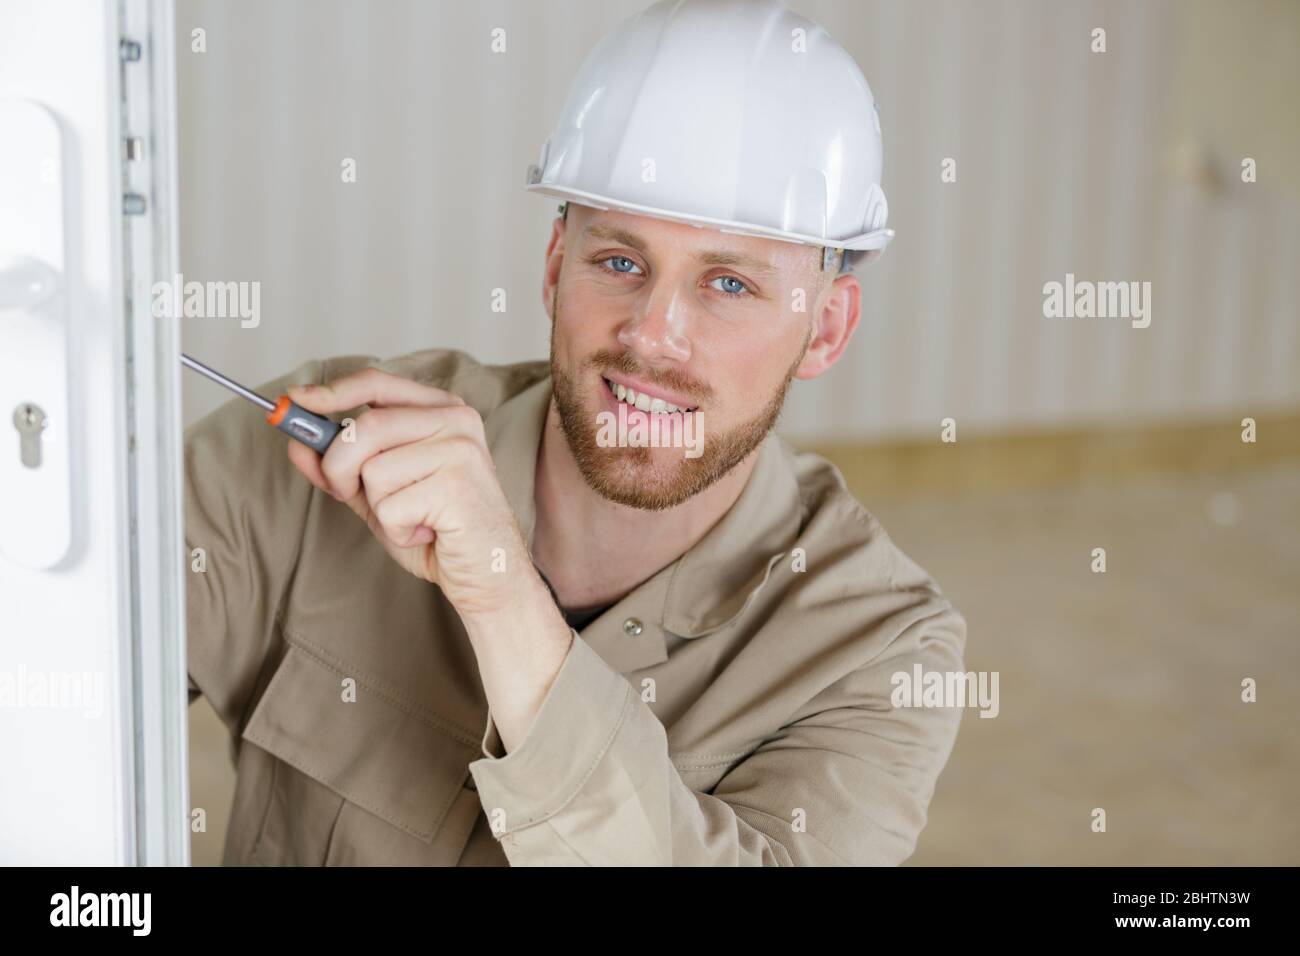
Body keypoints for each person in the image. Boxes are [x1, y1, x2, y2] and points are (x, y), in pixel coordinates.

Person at [186, 0, 965, 866]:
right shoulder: (333, 450)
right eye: (621, 262)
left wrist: (503, 600)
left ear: (824, 328)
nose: (652, 335)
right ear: (557, 267)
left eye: (730, 285)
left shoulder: (877, 649)